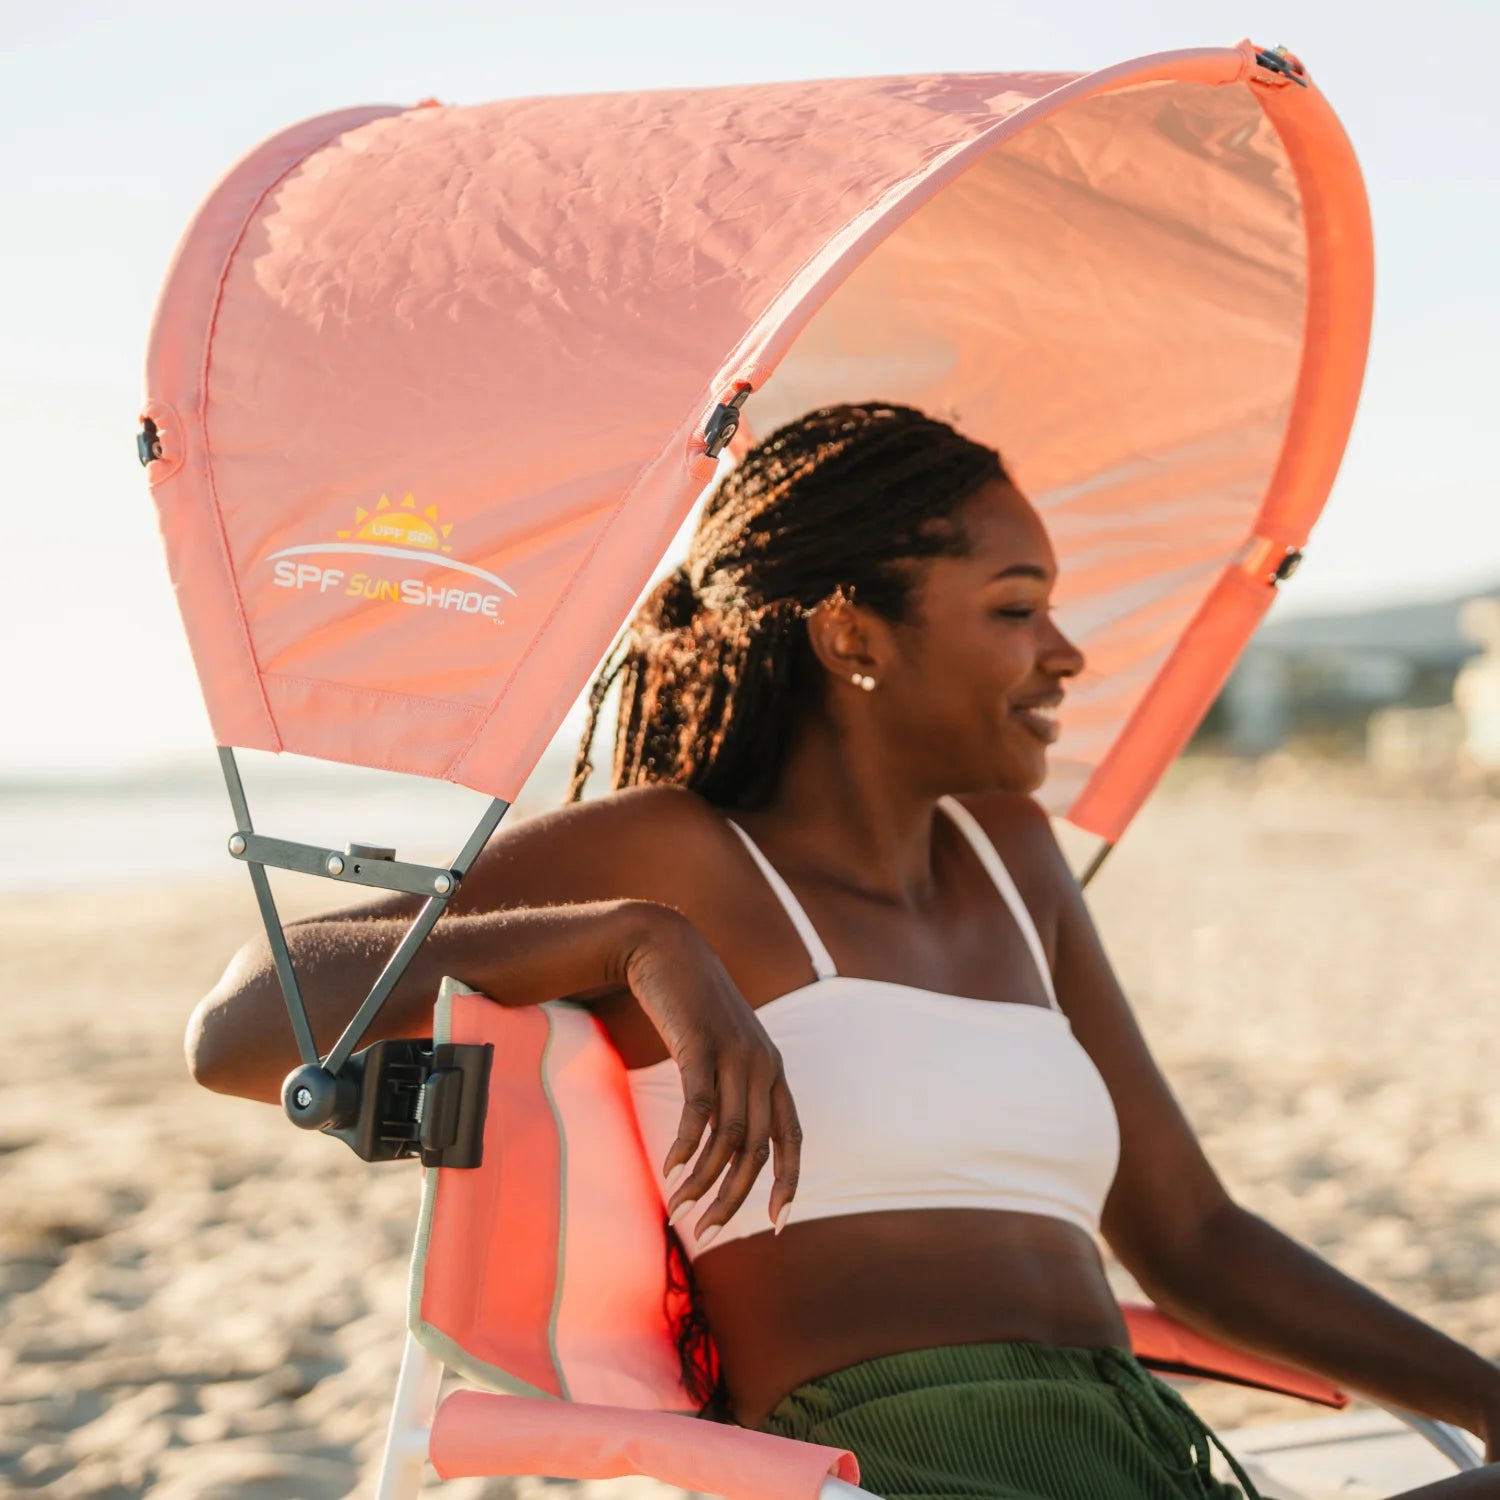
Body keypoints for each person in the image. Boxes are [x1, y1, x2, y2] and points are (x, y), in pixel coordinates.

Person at [188, 404, 1500, 1499]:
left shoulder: (1011, 855)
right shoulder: (675, 856)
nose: (1066, 652)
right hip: (894, 1467)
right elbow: (250, 1027)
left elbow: (1192, 1237)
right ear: (853, 635)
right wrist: (640, 943)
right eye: (1013, 608)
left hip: (1139, 1449)